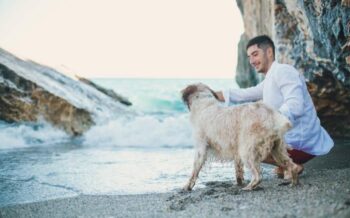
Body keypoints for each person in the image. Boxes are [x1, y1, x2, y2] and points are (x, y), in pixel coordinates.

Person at [216, 35, 334, 178]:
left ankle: (291, 165)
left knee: (241, 144)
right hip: (293, 140)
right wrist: (212, 95)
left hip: (300, 142)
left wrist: (264, 121)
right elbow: (245, 94)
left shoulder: (284, 71)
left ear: (269, 52)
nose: (252, 61)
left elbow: (296, 106)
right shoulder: (271, 78)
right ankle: (284, 164)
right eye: (249, 57)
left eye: (255, 54)